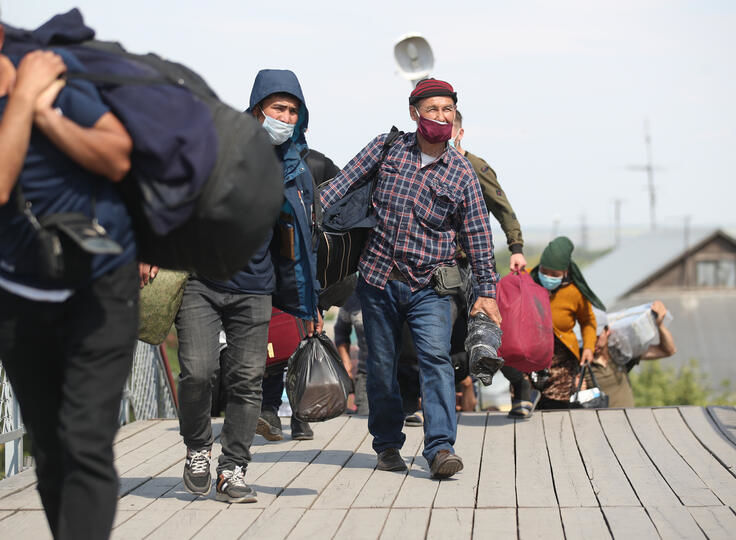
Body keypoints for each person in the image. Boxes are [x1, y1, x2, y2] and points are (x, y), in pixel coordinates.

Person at [321, 78, 502, 479]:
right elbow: (340, 186)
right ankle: (387, 444)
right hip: (378, 281)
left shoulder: (461, 173)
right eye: (432, 109)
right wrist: (302, 215)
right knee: (382, 365)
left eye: (447, 110)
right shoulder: (387, 149)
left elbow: (478, 236)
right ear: (414, 113)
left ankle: (440, 448)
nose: (441, 116)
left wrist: (487, 293)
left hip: (430, 288)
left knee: (435, 359)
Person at [0, 28, 138, 539]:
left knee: (84, 444)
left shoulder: (52, 72)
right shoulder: (30, 84)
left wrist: (46, 115)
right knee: (50, 449)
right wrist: (25, 101)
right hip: (19, 298)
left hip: (101, 288)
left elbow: (117, 154)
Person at [175, 69, 322, 503]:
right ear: (258, 110)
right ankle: (197, 449)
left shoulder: (296, 168)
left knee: (247, 379)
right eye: (279, 108)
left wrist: (309, 303)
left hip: (256, 288)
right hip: (202, 282)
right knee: (198, 372)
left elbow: (306, 242)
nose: (286, 117)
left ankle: (233, 469)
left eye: (293, 111)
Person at [258, 147, 339, 441]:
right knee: (280, 341)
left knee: (291, 341)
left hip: (297, 267)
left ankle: (290, 413)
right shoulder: (314, 162)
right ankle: (280, 412)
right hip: (277, 267)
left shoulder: (316, 164)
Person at [529, 236, 605, 410]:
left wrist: (588, 347)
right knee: (526, 406)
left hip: (561, 362)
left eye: (554, 274)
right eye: (544, 271)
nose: (548, 277)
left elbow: (588, 321)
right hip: (530, 359)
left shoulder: (574, 292)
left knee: (557, 409)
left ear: (565, 271)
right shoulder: (528, 282)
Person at [590, 301, 676, 407]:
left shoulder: (621, 352)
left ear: (607, 331)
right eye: (589, 336)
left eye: (597, 336)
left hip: (628, 416)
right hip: (600, 418)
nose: (593, 340)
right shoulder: (582, 362)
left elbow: (668, 350)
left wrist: (659, 324)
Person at [334, 291, 369, 415]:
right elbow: (340, 331)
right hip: (366, 377)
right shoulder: (352, 298)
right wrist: (346, 362)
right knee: (363, 421)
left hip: (400, 375)